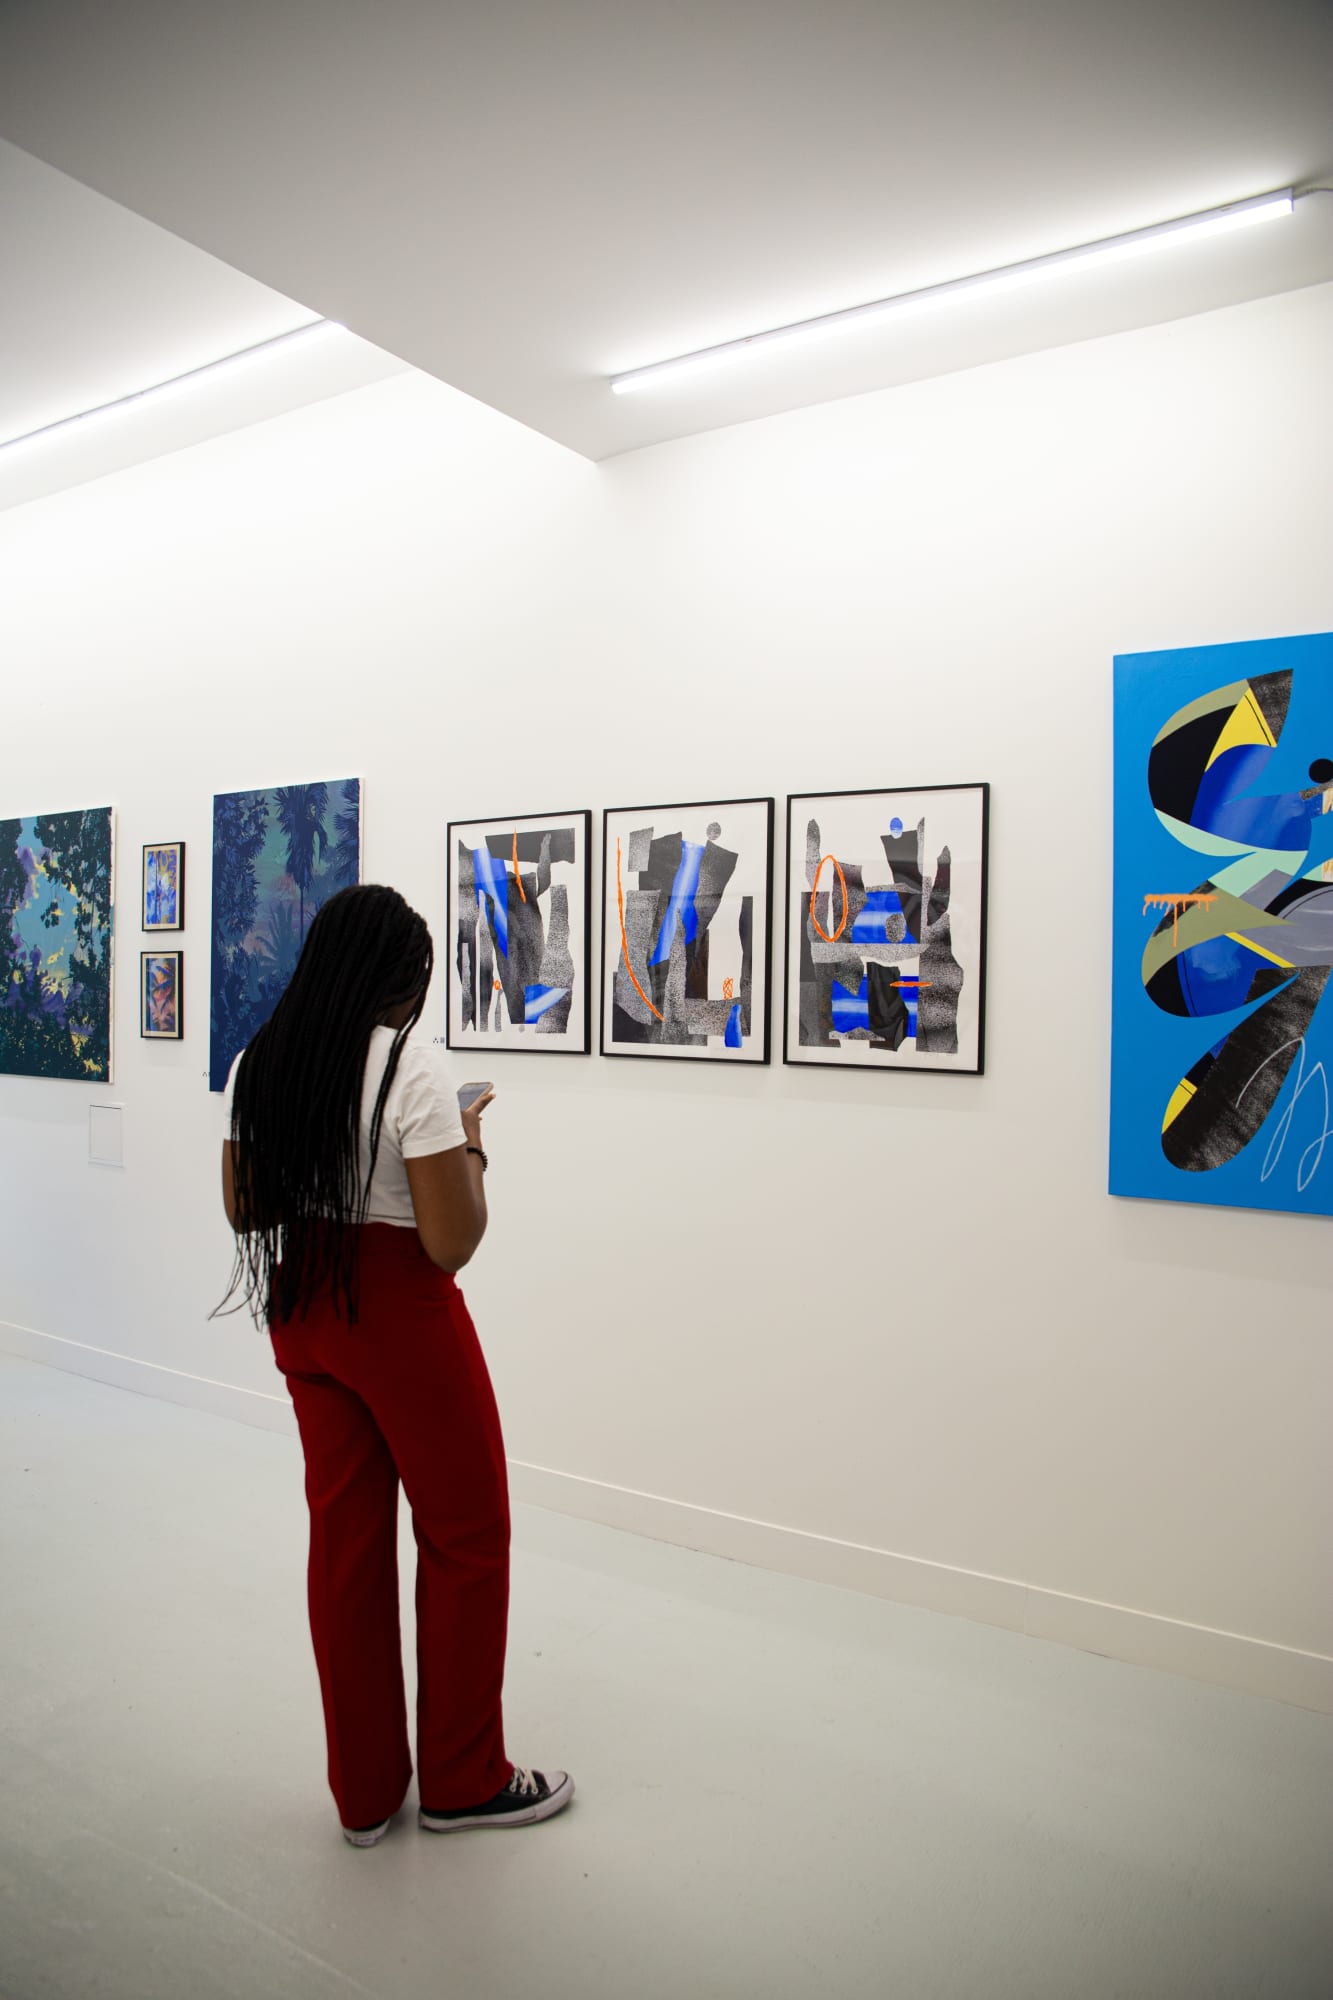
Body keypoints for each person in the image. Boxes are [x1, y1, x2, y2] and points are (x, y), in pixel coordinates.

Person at [216, 882, 574, 1847]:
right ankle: (463, 1778)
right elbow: (452, 1241)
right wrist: (472, 1145)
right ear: (400, 978)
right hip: (397, 1315)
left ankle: (365, 1794)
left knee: (346, 1543)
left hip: (304, 1306)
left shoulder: (261, 1059)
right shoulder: (412, 1067)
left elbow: (246, 1211)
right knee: (466, 1535)